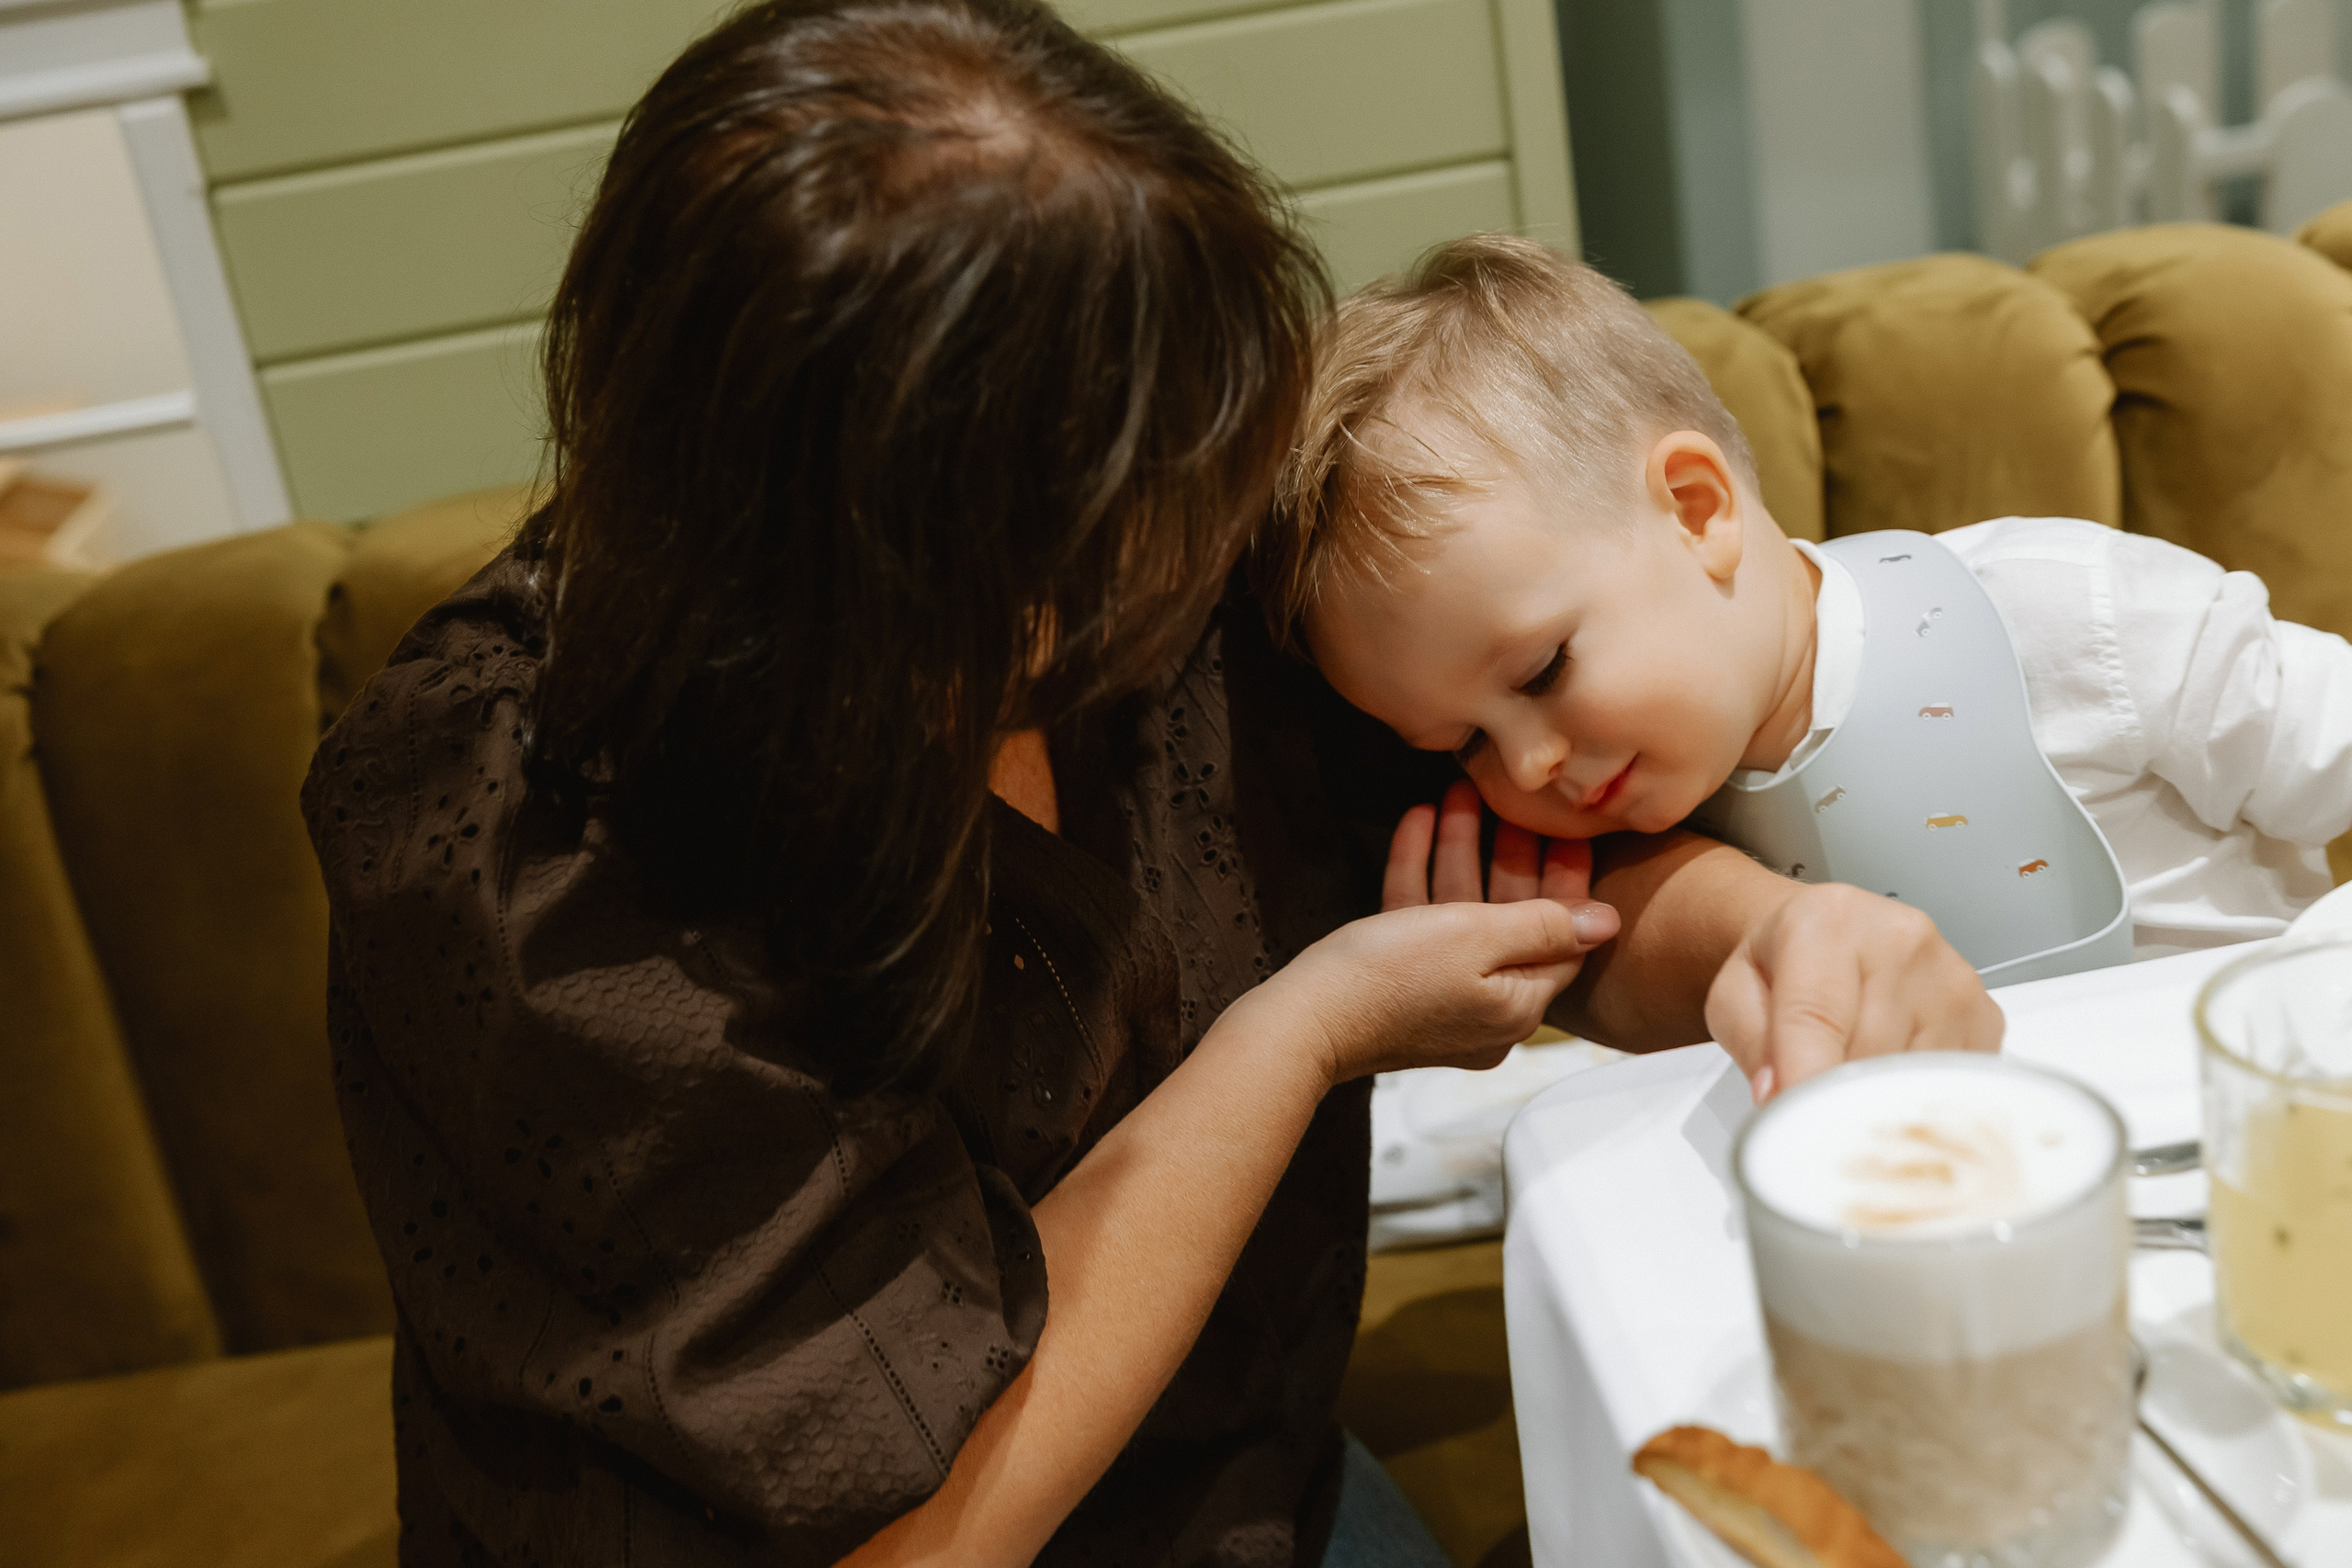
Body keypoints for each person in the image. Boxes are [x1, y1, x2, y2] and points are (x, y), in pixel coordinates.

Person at [300, 6, 1996, 1566]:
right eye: (1138, 515)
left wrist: (1770, 934)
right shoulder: (525, 849)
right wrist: (1297, 1033)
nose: (1212, 542)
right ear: (894, 567)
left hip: (1244, 1486)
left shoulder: (1168, 500)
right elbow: (913, 1532)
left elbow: (1527, 856)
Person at [1271, 233, 2352, 977]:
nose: (1527, 769)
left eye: (1542, 672)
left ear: (1697, 512)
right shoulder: (1664, 822)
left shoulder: (2064, 614)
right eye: (1463, 742)